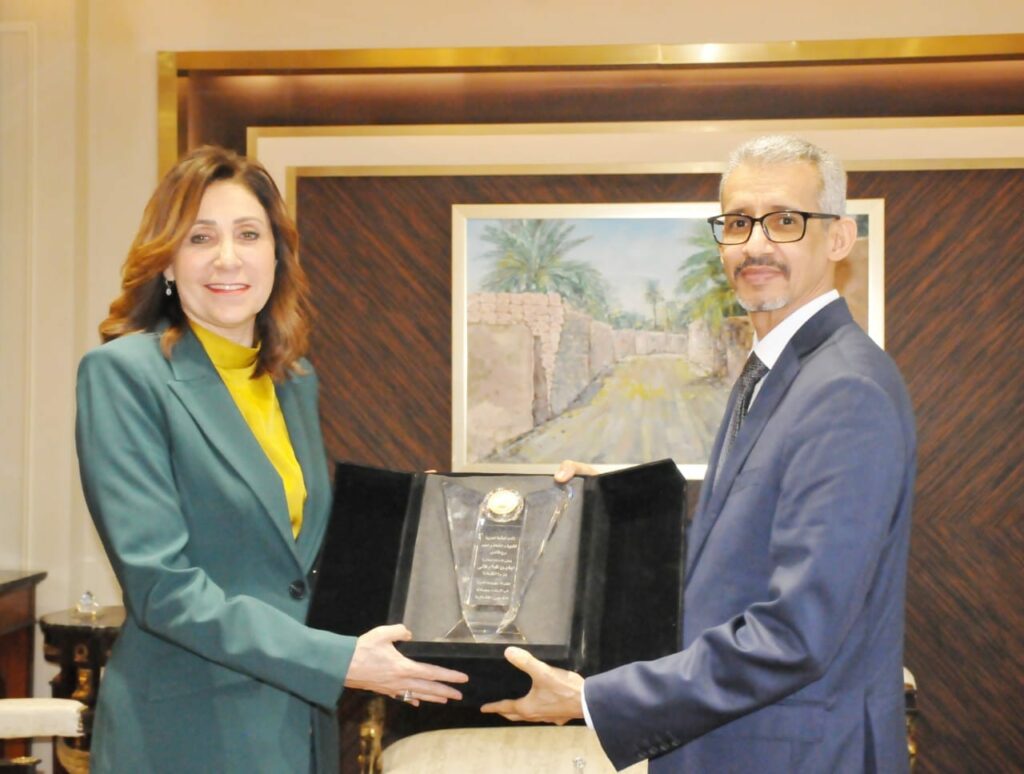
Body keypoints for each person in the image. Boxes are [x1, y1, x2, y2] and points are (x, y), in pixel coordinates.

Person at [481, 135, 916, 773]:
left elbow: (796, 632)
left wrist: (591, 699)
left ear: (839, 239)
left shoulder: (844, 389)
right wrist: (623, 509)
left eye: (785, 221)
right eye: (738, 223)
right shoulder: (776, 373)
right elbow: (741, 556)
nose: (756, 244)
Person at [75, 145, 467, 773]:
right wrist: (337, 660)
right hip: (185, 735)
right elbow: (163, 588)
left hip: (298, 728)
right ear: (168, 261)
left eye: (248, 234)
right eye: (201, 237)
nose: (228, 257)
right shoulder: (124, 375)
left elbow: (299, 568)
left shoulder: (292, 379)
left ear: (276, 256)